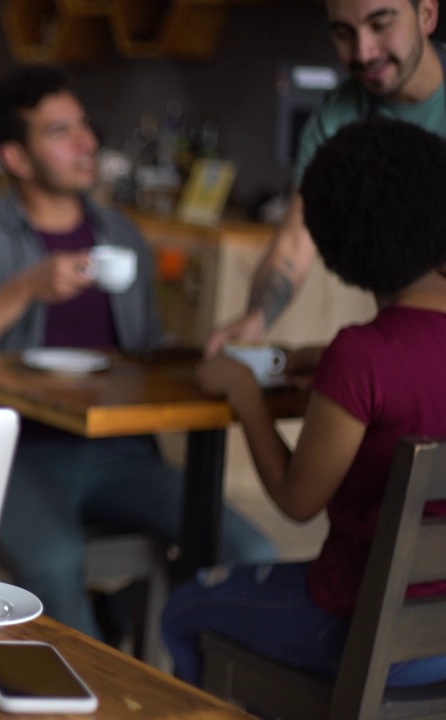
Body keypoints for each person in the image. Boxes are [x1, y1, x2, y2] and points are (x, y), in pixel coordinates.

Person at [0, 65, 276, 641]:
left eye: (83, 125)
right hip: (16, 454)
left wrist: (203, 353)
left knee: (251, 547)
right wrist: (27, 287)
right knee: (57, 563)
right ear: (16, 158)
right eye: (60, 132)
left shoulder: (121, 236)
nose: (87, 143)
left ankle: (194, 689)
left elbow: (146, 348)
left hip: (120, 452)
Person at [165, 117, 446, 688]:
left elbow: (297, 500)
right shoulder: (362, 357)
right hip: (438, 642)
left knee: (185, 610)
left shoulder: (363, 356)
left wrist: (245, 395)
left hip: (360, 630)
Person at [205, 0, 444, 356]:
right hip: (410, 348)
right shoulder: (336, 120)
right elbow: (293, 243)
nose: (364, 52)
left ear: (426, 14)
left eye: (380, 25)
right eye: (344, 33)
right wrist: (256, 317)